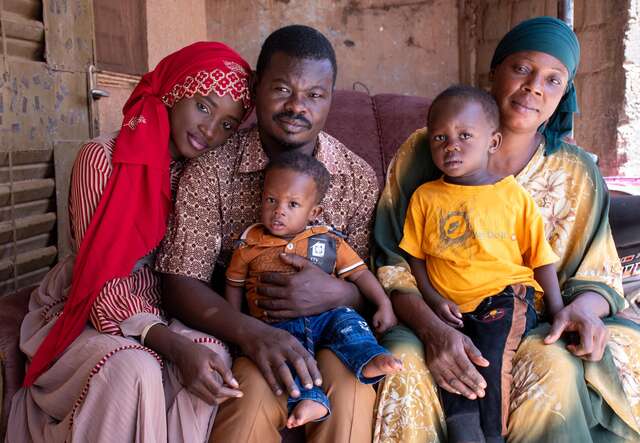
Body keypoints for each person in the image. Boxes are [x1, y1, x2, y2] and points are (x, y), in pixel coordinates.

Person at [372, 16, 640, 443]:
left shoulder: (576, 173)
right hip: (433, 309)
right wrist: (434, 329)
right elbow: (393, 259)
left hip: (526, 317)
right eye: (521, 69)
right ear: (494, 72)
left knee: (553, 362)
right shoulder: (426, 149)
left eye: (553, 80)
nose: (535, 86)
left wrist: (581, 311)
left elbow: (597, 272)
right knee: (401, 360)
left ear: (563, 95)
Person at [6, 42, 253, 443]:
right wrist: (170, 343)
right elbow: (98, 281)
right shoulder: (101, 160)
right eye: (204, 107)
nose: (210, 130)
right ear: (175, 91)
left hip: (165, 307)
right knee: (133, 369)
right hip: (89, 307)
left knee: (214, 359)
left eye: (227, 124)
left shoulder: (201, 179)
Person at [155, 25, 381, 443]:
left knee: (350, 396)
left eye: (315, 95)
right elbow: (179, 281)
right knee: (249, 402)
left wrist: (340, 294)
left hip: (334, 333)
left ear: (331, 98)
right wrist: (253, 333)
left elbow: (373, 279)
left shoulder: (356, 177)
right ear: (257, 87)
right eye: (282, 89)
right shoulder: (211, 172)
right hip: (251, 333)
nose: (297, 106)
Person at [400, 85, 563, 443]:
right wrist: (431, 298)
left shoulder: (513, 196)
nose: (451, 145)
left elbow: (541, 260)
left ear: (493, 142)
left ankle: (492, 435)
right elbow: (415, 258)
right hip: (451, 308)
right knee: (452, 362)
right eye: (440, 137)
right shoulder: (425, 197)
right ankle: (464, 432)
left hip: (503, 299)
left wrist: (557, 310)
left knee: (489, 355)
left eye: (465, 135)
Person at [225, 152, 400, 428]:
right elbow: (233, 286)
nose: (279, 210)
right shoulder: (249, 245)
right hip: (276, 325)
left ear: (314, 212)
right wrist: (237, 326)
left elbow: (360, 273)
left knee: (350, 323)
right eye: (271, 200)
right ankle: (310, 399)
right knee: (290, 355)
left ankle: (367, 358)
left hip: (327, 318)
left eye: (293, 204)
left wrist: (383, 303)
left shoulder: (327, 240)